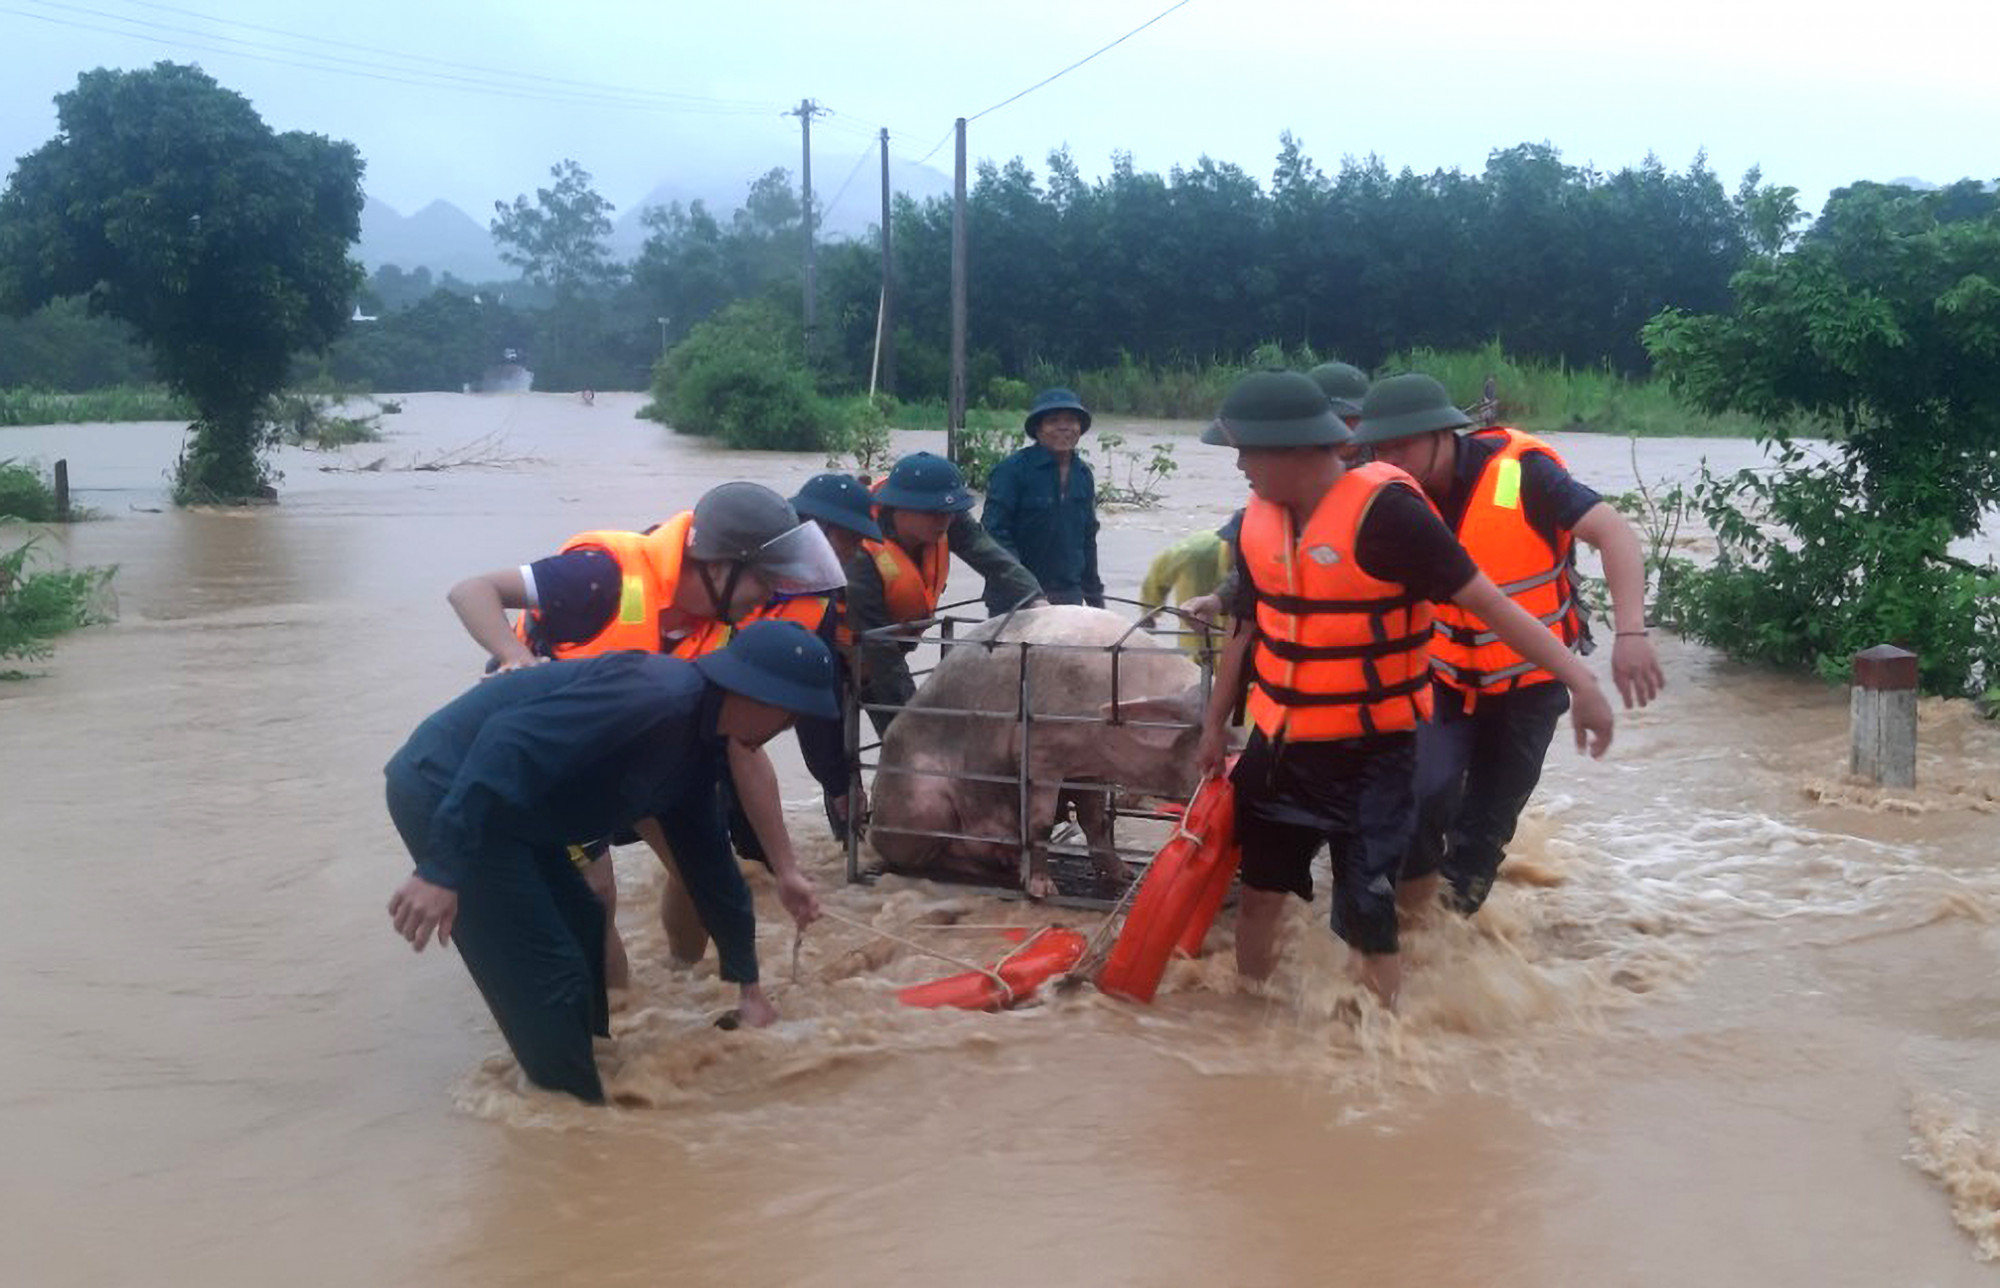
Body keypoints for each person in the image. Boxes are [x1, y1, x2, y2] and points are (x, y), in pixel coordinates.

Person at [1193, 371, 1614, 1008]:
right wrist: (1213, 723)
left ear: (1295, 448)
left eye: (1247, 451)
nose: (1242, 467)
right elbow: (1248, 628)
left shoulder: (1390, 515)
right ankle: (1250, 1024)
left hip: (1372, 757)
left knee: (1370, 917)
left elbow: (1492, 605)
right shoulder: (1258, 523)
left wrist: (1581, 681)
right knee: (1259, 897)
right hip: (1280, 750)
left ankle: (1384, 1057)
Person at [384, 620, 836, 1103]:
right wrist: (442, 867)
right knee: (553, 971)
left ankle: (589, 1087)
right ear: (761, 696)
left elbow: (711, 869)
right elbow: (506, 741)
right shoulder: (657, 696)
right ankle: (569, 1112)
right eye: (790, 717)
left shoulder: (698, 749)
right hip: (446, 789)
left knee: (583, 929)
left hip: (513, 813)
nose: (785, 730)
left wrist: (749, 988)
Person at [444, 482, 847, 986]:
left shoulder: (722, 626)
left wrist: (787, 870)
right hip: (558, 761)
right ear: (720, 566)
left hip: (637, 758)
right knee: (596, 897)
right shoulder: (600, 575)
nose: (767, 599)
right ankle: (613, 1029)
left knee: (701, 876)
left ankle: (681, 984)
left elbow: (741, 747)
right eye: (763, 584)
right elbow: (471, 591)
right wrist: (515, 657)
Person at [1347, 373, 1663, 917]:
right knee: (1420, 798)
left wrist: (1630, 633)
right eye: (1382, 446)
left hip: (1530, 689)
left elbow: (1614, 532)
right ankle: (1406, 931)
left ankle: (1452, 948)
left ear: (1445, 433)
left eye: (1405, 443)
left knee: (1480, 842)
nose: (1392, 457)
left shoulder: (1524, 475)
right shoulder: (1387, 495)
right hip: (1444, 679)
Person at [845, 451, 1043, 734]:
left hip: (887, 652)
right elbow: (880, 652)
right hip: (838, 658)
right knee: (839, 763)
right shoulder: (862, 554)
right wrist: (914, 720)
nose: (943, 521)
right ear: (897, 508)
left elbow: (992, 558)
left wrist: (1036, 599)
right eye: (932, 513)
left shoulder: (949, 521)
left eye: (950, 513)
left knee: (909, 747)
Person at [981, 388, 1104, 613]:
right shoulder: (1011, 471)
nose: (1063, 427)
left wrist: (1096, 602)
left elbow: (1087, 540)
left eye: (1070, 420)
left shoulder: (1083, 475)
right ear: (1038, 429)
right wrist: (1026, 591)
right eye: (1053, 420)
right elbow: (994, 535)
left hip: (1068, 597)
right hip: (1012, 599)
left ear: (1080, 428)